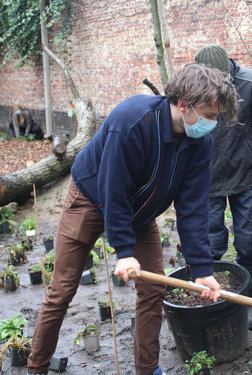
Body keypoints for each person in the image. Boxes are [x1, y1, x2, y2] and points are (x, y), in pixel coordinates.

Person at [27, 63, 239, 375]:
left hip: (141, 211)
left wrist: (203, 270)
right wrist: (124, 252)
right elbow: (114, 191)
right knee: (63, 289)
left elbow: (193, 208)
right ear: (183, 104)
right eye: (208, 114)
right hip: (90, 198)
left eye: (216, 116)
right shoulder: (131, 121)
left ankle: (146, 370)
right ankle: (36, 367)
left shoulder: (200, 143)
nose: (212, 123)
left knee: (153, 290)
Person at [194, 45, 252, 331]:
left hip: (244, 172)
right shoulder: (194, 81)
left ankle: (249, 304)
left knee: (246, 242)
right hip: (207, 175)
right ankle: (211, 298)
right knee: (211, 243)